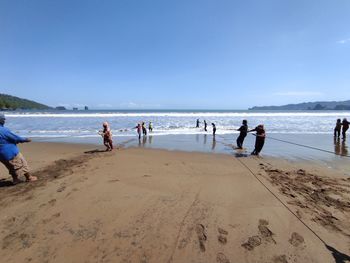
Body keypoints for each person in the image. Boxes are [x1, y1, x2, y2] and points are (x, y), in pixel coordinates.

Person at [0, 113, 37, 184]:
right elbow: (15, 137)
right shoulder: (3, 130)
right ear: (1, 120)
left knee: (10, 166)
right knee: (22, 163)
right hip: (10, 152)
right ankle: (29, 177)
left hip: (1, 155)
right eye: (4, 119)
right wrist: (25, 140)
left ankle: (15, 179)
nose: (4, 120)